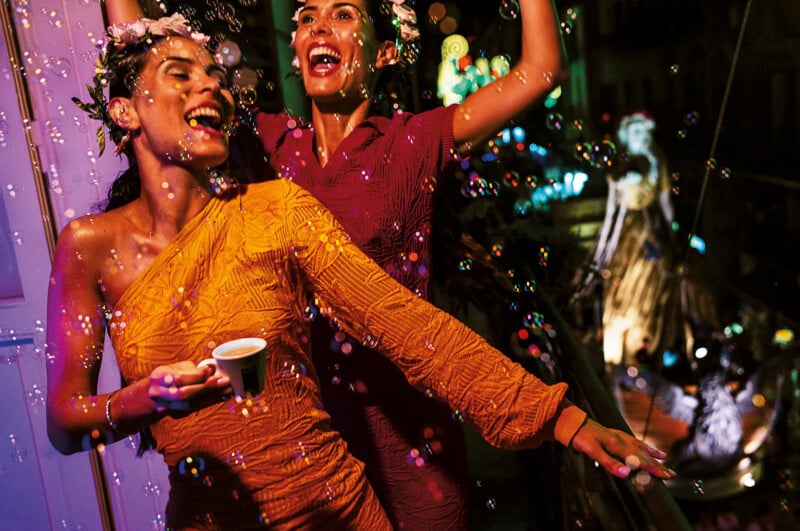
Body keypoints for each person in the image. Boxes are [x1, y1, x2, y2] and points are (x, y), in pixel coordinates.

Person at [47, 14, 675, 531]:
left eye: (214, 75)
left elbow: (405, 323)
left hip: (355, 488)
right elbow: (66, 421)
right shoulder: (92, 244)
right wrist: (143, 399)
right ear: (123, 111)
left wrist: (561, 418)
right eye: (181, 75)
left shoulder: (294, 200)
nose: (209, 87)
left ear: (383, 53)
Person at [577, 111, 719, 366]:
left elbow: (665, 200)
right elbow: (613, 197)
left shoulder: (657, 160)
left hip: (652, 224)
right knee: (630, 276)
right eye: (635, 132)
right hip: (630, 228)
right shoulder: (624, 162)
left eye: (644, 132)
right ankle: (622, 344)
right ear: (626, 135)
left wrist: (671, 228)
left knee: (661, 273)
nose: (641, 136)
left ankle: (653, 337)